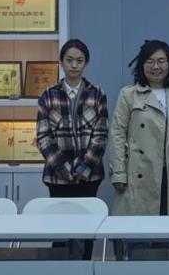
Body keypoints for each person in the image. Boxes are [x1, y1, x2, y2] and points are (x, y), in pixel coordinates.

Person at [109, 40, 169, 256]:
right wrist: (118, 172)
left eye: (161, 61)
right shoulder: (129, 94)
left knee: (165, 234)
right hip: (139, 174)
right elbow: (117, 134)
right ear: (141, 65)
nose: (156, 67)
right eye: (150, 61)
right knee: (137, 234)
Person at [36, 38, 108, 260]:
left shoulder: (97, 93)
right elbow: (43, 136)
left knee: (87, 230)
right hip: (57, 177)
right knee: (60, 230)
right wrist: (64, 170)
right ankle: (59, 269)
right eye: (69, 60)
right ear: (61, 62)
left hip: (90, 175)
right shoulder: (48, 94)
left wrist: (82, 168)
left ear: (86, 62)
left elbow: (101, 135)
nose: (74, 65)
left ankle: (85, 267)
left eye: (79, 60)